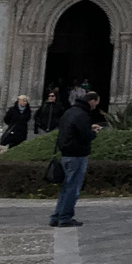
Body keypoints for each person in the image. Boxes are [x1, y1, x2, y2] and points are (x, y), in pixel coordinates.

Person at [50, 90, 101, 228]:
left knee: (66, 187)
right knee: (73, 188)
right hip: (77, 155)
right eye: (96, 102)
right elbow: (85, 136)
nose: (96, 106)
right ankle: (65, 218)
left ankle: (56, 216)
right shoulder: (82, 115)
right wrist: (94, 132)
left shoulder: (70, 112)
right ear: (92, 101)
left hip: (66, 154)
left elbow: (70, 130)